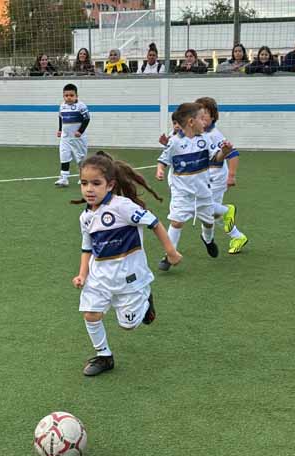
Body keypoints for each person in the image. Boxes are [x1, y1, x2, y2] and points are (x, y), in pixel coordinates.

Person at [71, 151, 181, 376]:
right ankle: (104, 356)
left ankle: (145, 299)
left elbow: (155, 223)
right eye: (84, 183)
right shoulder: (86, 217)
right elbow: (87, 248)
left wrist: (171, 251)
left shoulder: (123, 207)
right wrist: (82, 274)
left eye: (95, 183)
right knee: (90, 313)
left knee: (128, 326)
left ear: (110, 185)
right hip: (99, 277)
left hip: (129, 277)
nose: (89, 189)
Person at [155, 102, 233, 270]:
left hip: (203, 192)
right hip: (182, 193)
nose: (204, 122)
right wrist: (160, 170)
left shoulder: (206, 139)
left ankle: (208, 239)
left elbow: (216, 158)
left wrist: (224, 152)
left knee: (208, 223)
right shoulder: (174, 142)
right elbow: (163, 160)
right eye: (200, 119)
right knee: (176, 222)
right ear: (191, 122)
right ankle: (170, 255)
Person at [195, 97, 249, 253]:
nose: (202, 116)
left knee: (204, 209)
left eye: (205, 112)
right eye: (199, 112)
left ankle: (227, 213)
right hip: (206, 177)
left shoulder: (214, 134)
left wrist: (231, 176)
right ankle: (236, 236)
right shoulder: (199, 132)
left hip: (217, 178)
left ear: (213, 116)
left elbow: (233, 154)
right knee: (210, 214)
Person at [54, 83, 90, 188]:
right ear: (63, 96)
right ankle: (64, 178)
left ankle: (84, 177)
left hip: (78, 137)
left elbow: (87, 119)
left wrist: (80, 131)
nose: (69, 98)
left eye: (71, 95)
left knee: (81, 157)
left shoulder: (81, 106)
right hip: (65, 137)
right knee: (64, 155)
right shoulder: (62, 106)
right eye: (66, 95)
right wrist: (60, 130)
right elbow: (61, 118)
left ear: (76, 96)